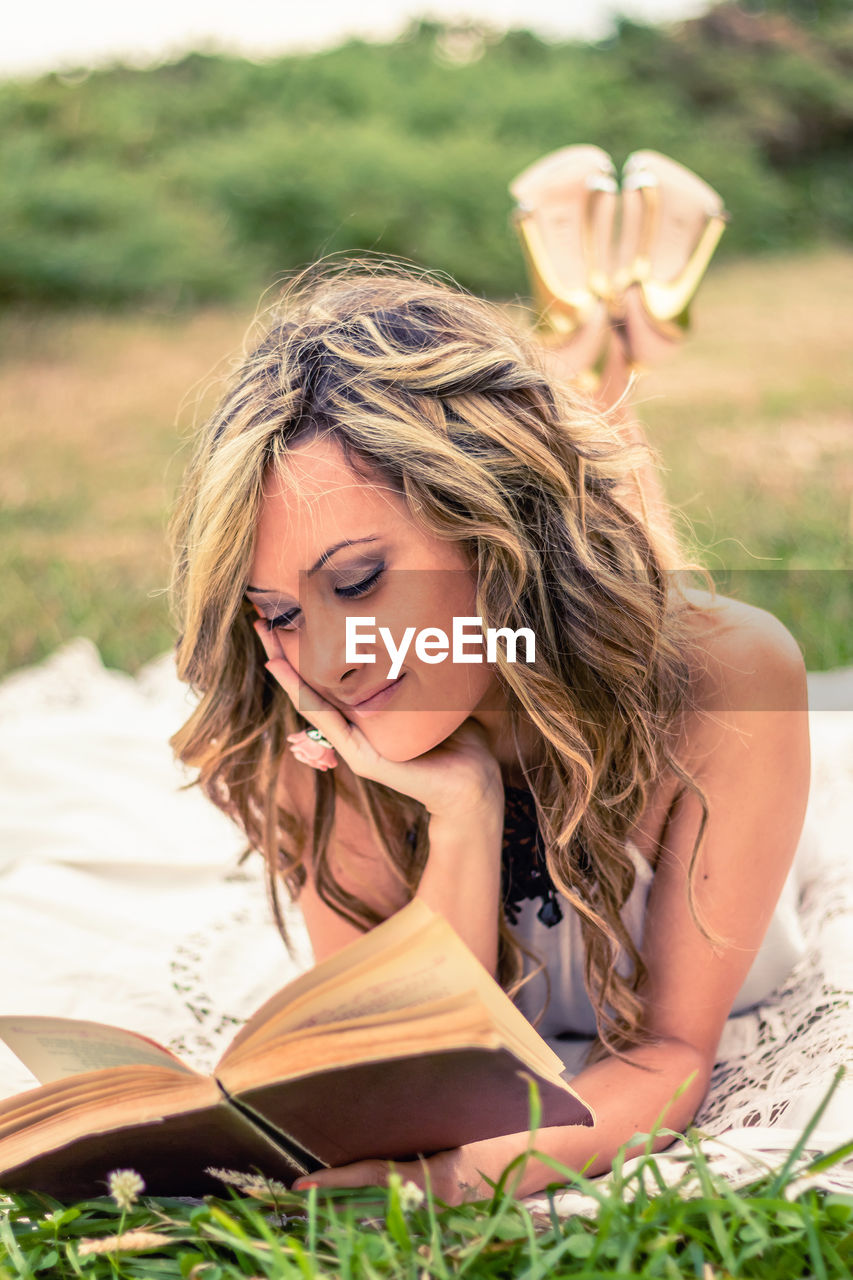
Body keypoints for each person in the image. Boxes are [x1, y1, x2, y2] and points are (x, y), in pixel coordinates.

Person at [167, 244, 810, 1204]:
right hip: (500, 672)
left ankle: (605, 318)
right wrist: (460, 812)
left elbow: (671, 1051)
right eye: (285, 611)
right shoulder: (311, 736)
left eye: (358, 582)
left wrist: (458, 1182)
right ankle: (594, 325)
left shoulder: (730, 679)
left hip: (612, 666)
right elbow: (423, 1073)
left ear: (491, 525)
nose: (332, 658)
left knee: (637, 595)